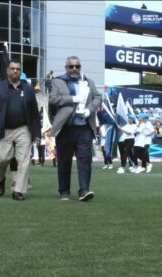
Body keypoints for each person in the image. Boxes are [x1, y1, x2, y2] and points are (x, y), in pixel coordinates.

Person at [0, 59, 41, 201]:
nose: (15, 71)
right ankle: (0, 179)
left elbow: (34, 112)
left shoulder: (28, 88)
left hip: (24, 129)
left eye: (18, 69)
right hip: (3, 129)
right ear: (7, 71)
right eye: (12, 68)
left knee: (23, 161)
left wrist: (36, 133)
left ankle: (18, 191)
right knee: (2, 159)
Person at [49, 56, 102, 201]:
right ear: (66, 68)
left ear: (80, 67)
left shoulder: (88, 82)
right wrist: (73, 99)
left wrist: (90, 109)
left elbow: (98, 97)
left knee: (85, 160)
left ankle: (84, 190)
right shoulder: (58, 81)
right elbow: (52, 99)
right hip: (65, 127)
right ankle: (64, 191)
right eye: (71, 66)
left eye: (77, 66)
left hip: (84, 127)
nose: (74, 69)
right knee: (64, 161)